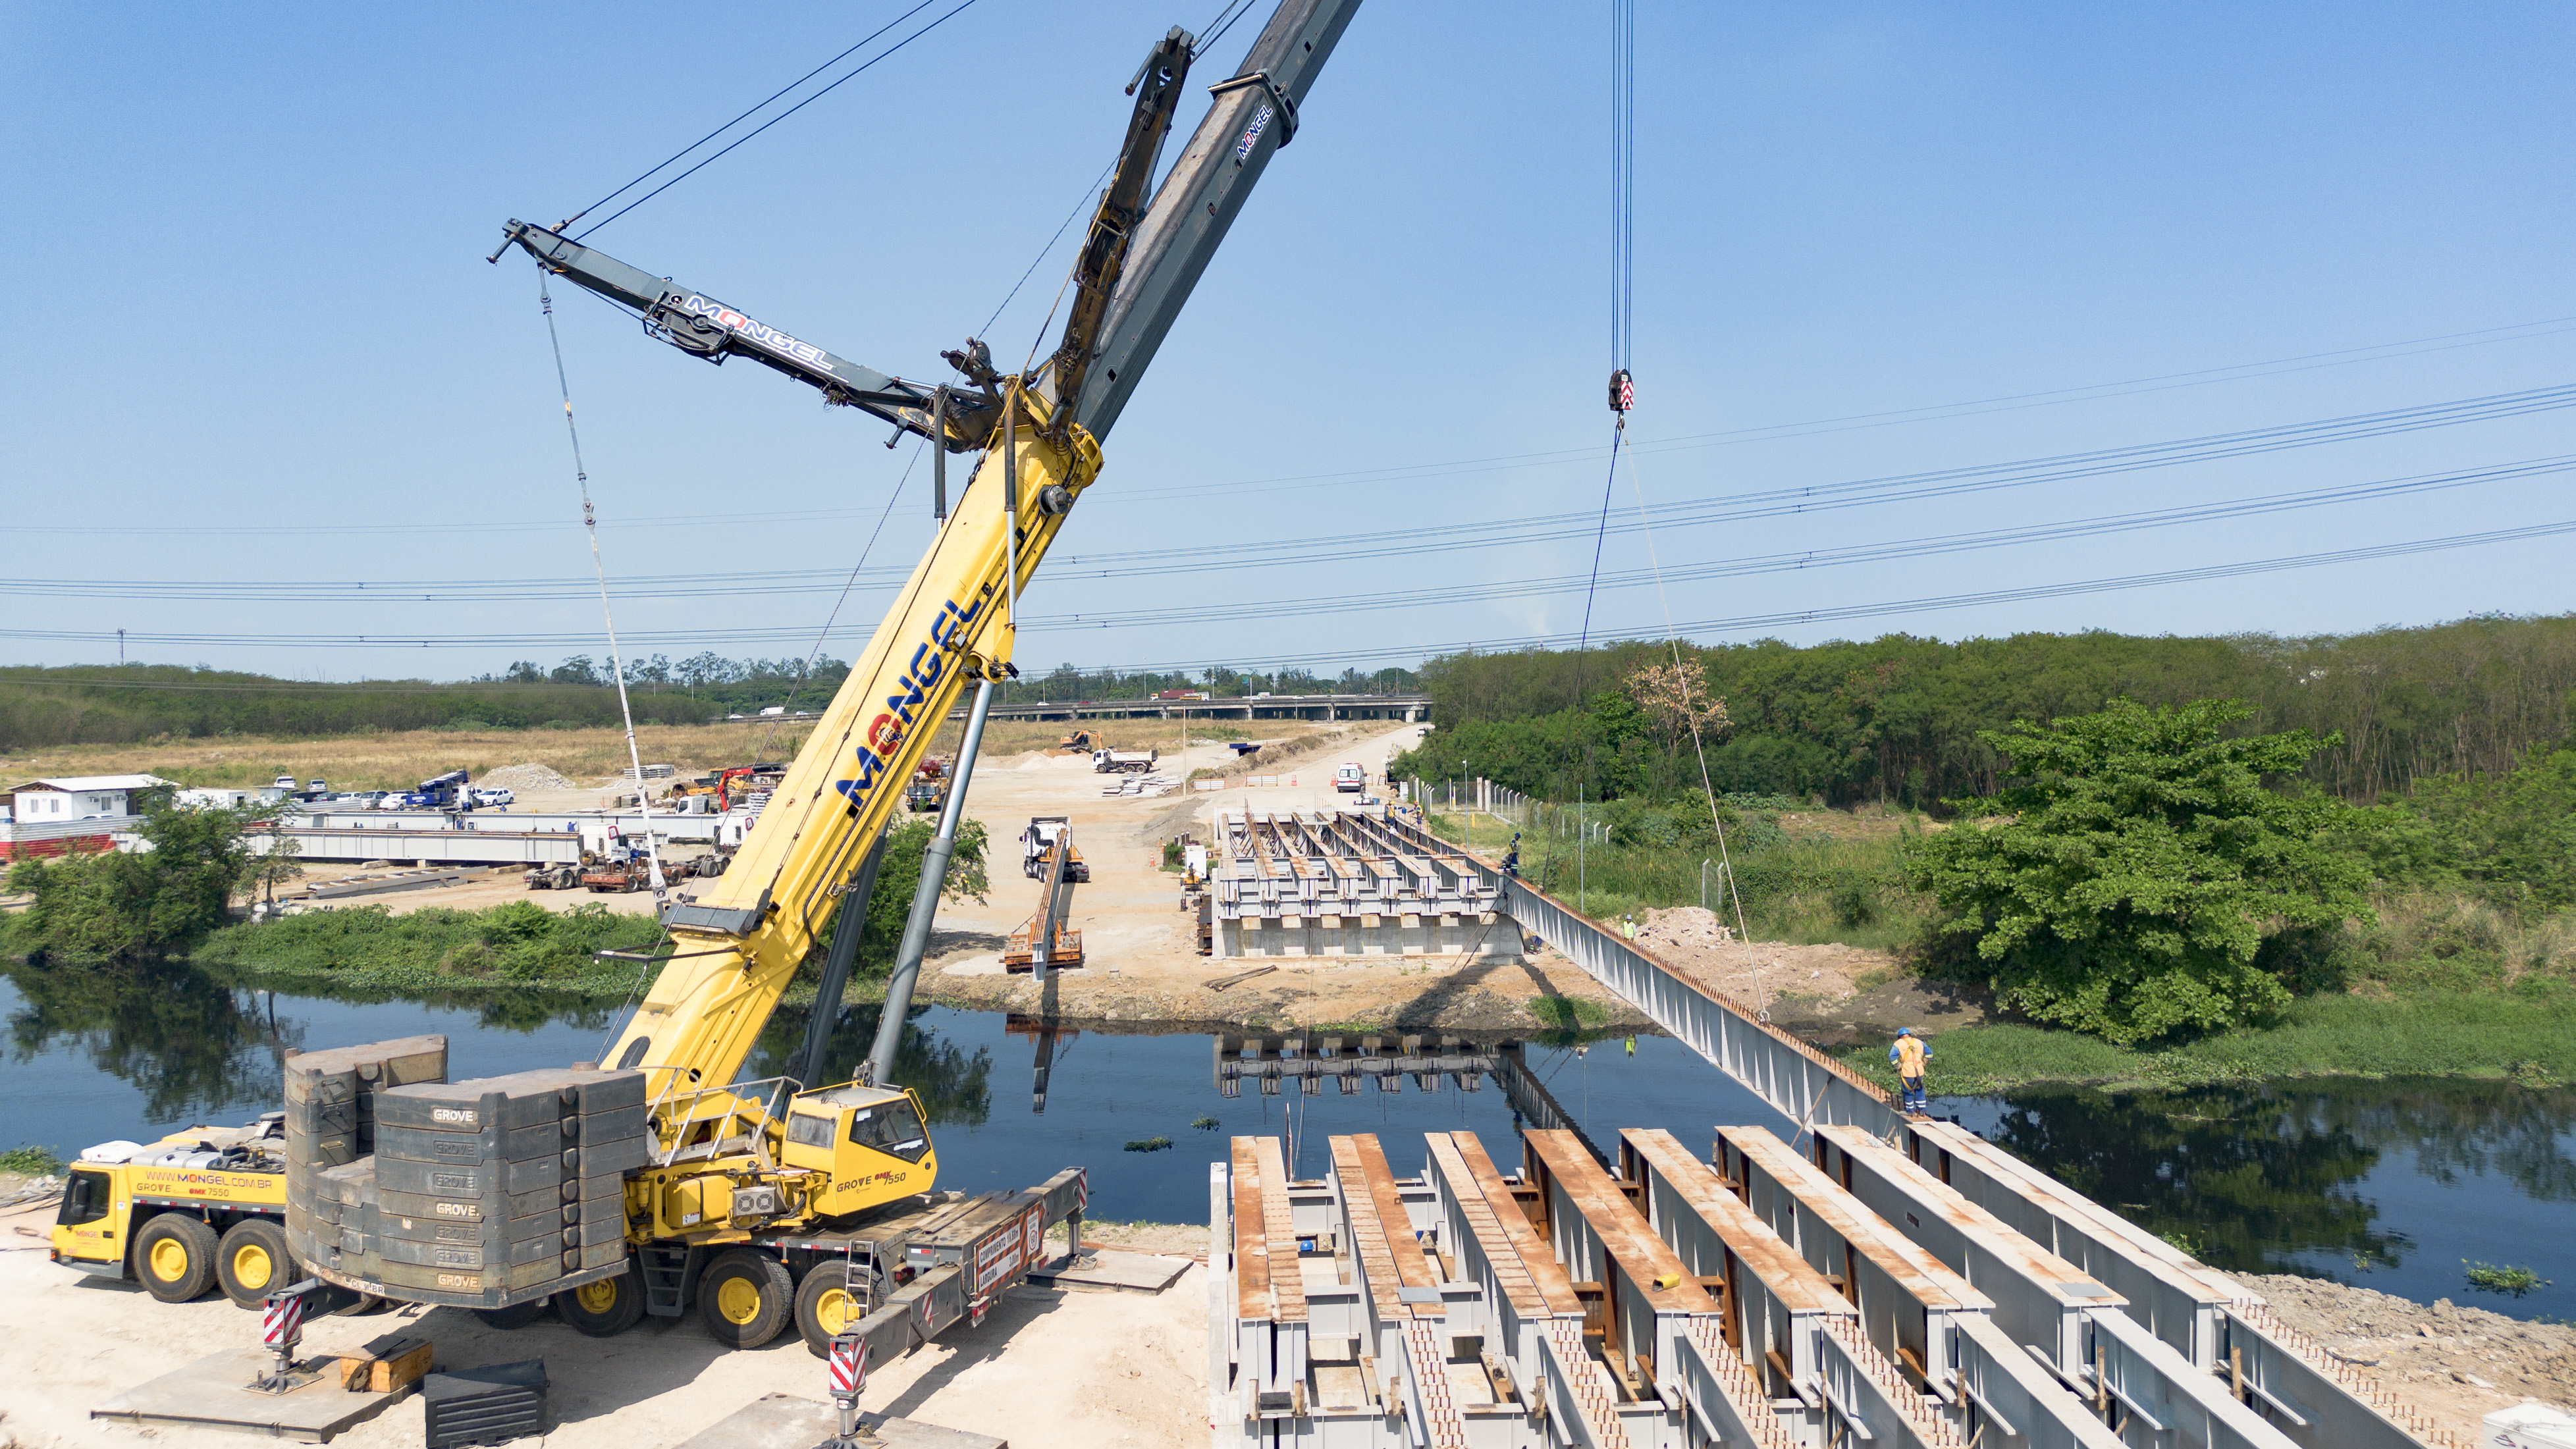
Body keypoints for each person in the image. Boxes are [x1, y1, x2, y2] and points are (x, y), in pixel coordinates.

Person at [1889, 1028, 1931, 1115]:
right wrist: (1924, 1062)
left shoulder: (1898, 1044)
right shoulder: (1919, 1042)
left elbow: (1892, 1057)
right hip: (1919, 1073)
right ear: (1909, 1035)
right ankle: (1922, 1111)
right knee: (1919, 1090)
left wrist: (1898, 1066)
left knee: (1907, 1092)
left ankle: (1910, 1111)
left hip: (1907, 1073)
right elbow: (1930, 1053)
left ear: (1899, 1036)